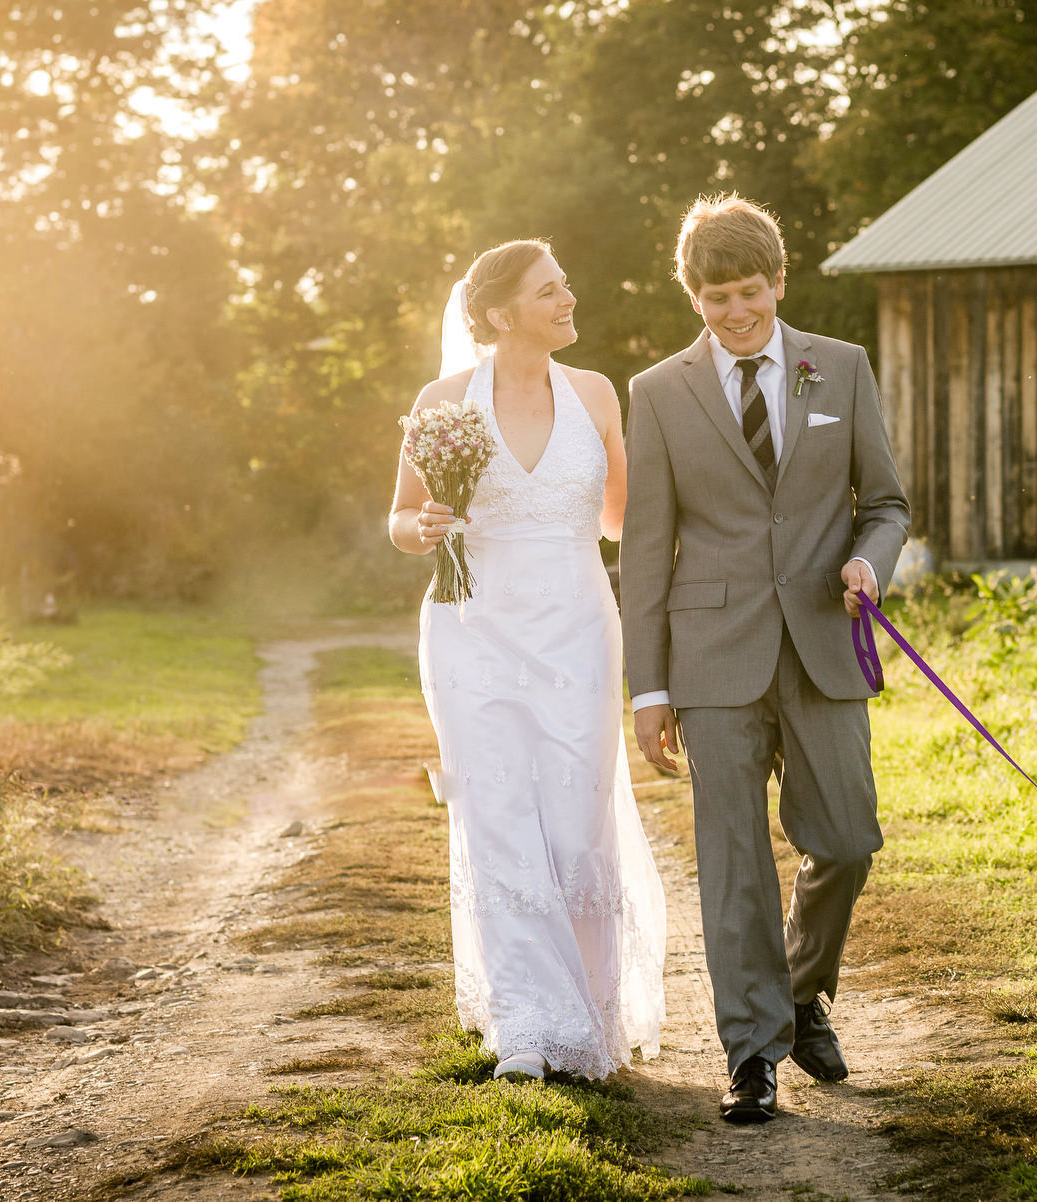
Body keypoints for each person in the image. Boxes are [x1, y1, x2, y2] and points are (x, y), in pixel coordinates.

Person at [620, 195, 910, 1122]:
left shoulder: (844, 368)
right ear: (693, 298)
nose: (736, 313)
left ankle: (797, 987)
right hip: (711, 657)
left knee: (849, 839)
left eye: (749, 292)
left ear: (779, 282)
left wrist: (871, 558)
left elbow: (888, 502)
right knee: (734, 858)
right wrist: (650, 687)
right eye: (716, 299)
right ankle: (751, 1055)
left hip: (825, 641)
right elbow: (645, 547)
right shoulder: (659, 393)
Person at [389, 239, 665, 1081]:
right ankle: (528, 1031)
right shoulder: (443, 402)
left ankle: (590, 1011)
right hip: (472, 631)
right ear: (502, 313)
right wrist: (425, 529)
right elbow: (400, 522)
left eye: (566, 285)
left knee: (577, 830)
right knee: (499, 818)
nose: (568, 299)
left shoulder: (596, 394)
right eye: (550, 291)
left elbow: (623, 521)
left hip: (580, 627)